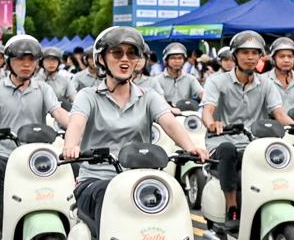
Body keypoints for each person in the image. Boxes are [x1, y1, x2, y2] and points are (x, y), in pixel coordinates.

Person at [62, 26, 206, 209]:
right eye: (117, 53)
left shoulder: (149, 96)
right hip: (96, 179)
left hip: (138, 182)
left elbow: (169, 123)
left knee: (171, 201)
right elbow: (76, 123)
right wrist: (71, 146)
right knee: (106, 196)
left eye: (131, 54)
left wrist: (191, 148)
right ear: (101, 58)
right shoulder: (88, 96)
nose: (125, 59)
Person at [199, 31, 292, 221]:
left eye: (255, 53)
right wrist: (212, 123)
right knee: (228, 149)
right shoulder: (216, 81)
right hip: (222, 143)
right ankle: (232, 208)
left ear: (260, 57)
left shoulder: (266, 84)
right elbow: (207, 110)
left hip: (254, 145)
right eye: (244, 53)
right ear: (234, 56)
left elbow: (279, 114)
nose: (250, 58)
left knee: (292, 151)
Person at [0, 35, 63, 208]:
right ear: (9, 62)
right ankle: (4, 212)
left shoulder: (43, 88)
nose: (26, 64)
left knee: (70, 168)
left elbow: (59, 113)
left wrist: (78, 126)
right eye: (20, 59)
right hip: (4, 154)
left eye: (31, 60)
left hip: (37, 154)